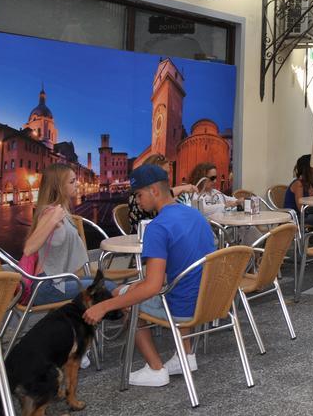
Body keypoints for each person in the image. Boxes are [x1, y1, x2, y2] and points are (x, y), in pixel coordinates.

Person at [83, 164, 216, 387]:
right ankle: (186, 355)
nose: (137, 200)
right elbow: (178, 269)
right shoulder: (196, 216)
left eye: (139, 194)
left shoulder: (158, 227)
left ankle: (156, 369)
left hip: (183, 308)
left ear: (154, 190)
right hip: (209, 301)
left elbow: (152, 287)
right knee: (137, 288)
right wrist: (138, 286)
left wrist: (105, 306)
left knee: (128, 300)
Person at [24, 164, 115, 308]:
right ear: (58, 186)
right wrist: (54, 219)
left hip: (57, 281)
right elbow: (29, 248)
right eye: (71, 182)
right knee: (110, 287)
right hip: (46, 287)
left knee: (105, 283)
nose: (76, 185)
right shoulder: (51, 212)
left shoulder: (60, 210)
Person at [128, 154, 195, 230]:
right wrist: (180, 189)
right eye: (164, 173)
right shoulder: (137, 196)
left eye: (168, 173)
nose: (168, 177)